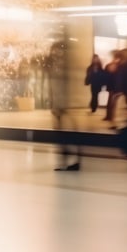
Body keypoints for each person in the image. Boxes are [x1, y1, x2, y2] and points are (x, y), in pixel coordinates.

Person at [49, 39, 81, 171]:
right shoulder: (55, 66)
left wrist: (63, 105)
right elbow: (53, 87)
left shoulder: (66, 68)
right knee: (61, 135)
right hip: (59, 106)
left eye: (59, 50)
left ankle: (71, 161)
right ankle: (65, 160)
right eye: (55, 50)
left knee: (67, 135)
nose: (57, 52)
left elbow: (68, 88)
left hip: (65, 107)